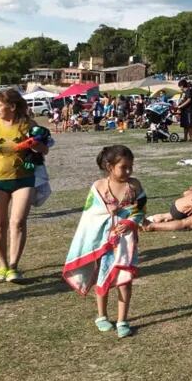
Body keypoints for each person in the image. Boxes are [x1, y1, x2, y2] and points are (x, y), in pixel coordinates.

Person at [62, 145, 146, 339]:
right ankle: (102, 316)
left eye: (130, 167)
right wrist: (108, 215)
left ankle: (123, 319)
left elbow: (141, 209)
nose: (128, 171)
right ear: (110, 166)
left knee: (125, 280)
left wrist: (129, 221)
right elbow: (91, 214)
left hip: (126, 242)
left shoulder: (135, 185)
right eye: (123, 167)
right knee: (103, 277)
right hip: (103, 242)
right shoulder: (98, 186)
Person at [0, 88, 48, 282]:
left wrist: (36, 145)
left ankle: (13, 266)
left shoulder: (28, 124)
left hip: (24, 179)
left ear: (12, 106)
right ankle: (2, 265)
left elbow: (44, 149)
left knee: (18, 223)